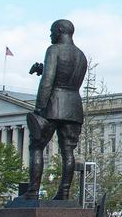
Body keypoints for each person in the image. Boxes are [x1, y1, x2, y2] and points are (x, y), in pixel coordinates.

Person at [22, 19, 88, 201]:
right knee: (68, 151)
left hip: (53, 105)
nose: (50, 35)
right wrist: (43, 70)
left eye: (52, 31)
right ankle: (64, 193)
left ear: (60, 30)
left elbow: (48, 81)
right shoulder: (81, 56)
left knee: (36, 146)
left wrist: (39, 108)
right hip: (74, 106)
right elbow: (67, 77)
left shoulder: (53, 50)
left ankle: (33, 192)